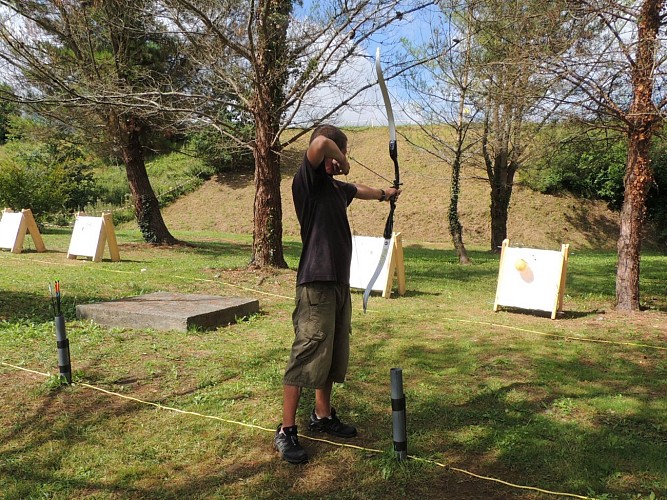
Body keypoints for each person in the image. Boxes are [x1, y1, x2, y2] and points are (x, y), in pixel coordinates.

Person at [274, 124, 401, 464]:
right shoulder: (309, 182)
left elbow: (358, 189)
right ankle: (286, 430)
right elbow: (319, 143)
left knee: (330, 353)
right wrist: (340, 158)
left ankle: (322, 415)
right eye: (334, 156)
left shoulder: (333, 189)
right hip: (315, 282)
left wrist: (385, 194)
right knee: (308, 353)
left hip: (338, 284)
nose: (335, 163)